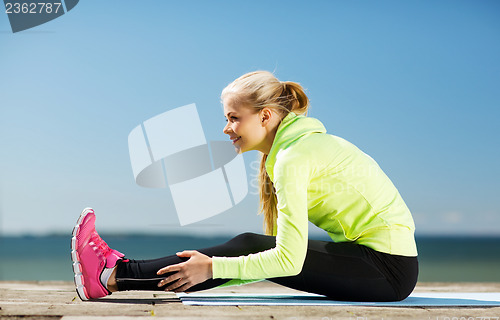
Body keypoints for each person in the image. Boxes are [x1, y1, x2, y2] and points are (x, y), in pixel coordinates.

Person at [71, 70, 418, 302]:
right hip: (374, 261)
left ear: (265, 116)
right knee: (245, 246)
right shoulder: (295, 149)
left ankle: (113, 274)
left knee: (244, 246)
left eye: (234, 117)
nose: (226, 128)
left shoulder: (293, 158)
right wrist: (214, 269)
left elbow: (289, 260)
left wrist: (213, 267)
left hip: (386, 269)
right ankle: (115, 274)